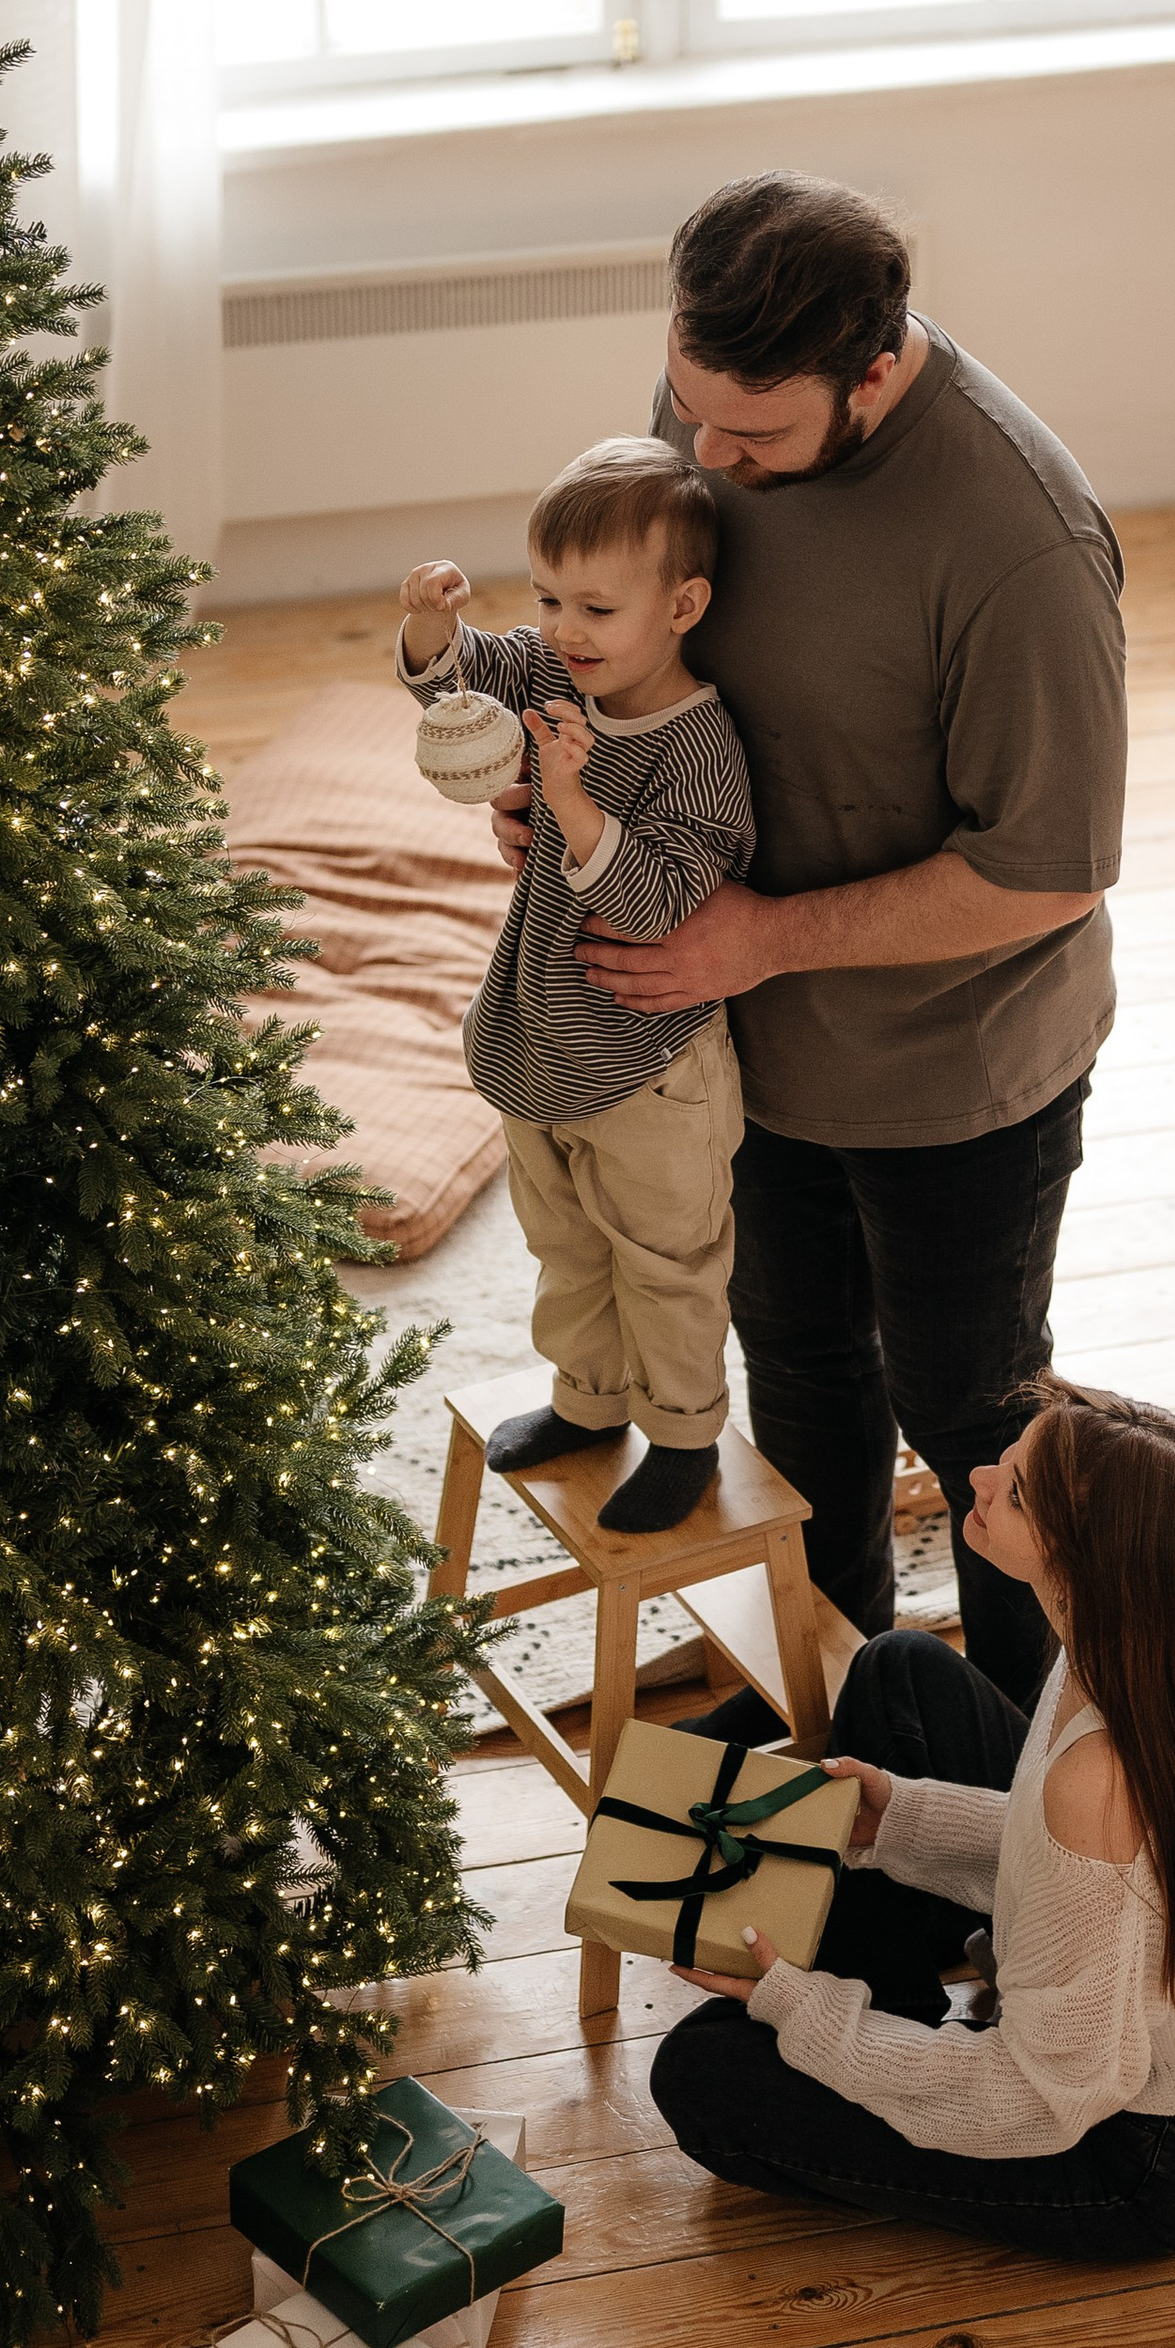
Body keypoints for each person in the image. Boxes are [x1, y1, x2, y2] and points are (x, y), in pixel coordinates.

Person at [498, 173, 1125, 1703]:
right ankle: (836, 1710)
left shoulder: (1018, 548)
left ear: (877, 365)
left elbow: (1048, 870)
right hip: (727, 1048)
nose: (707, 455)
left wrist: (763, 937)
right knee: (798, 1386)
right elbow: (650, 640)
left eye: (754, 437)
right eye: (689, 408)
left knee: (974, 1431)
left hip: (951, 1074)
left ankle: (1026, 1774)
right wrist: (568, 805)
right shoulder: (725, 394)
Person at [648, 1382, 1175, 2257]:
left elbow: (1048, 2095)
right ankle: (883, 1986)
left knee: (702, 2076)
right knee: (900, 1671)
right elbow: (1099, 1883)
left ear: (1078, 1551)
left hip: (1149, 2157)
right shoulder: (1161, 1631)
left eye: (1015, 1486)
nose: (978, 1476)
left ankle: (877, 1999)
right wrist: (900, 1823)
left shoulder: (1099, 1782)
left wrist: (811, 2017)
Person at [397, 437, 754, 1538]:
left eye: (595, 607)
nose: (561, 629)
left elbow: (659, 906)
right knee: (564, 1241)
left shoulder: (699, 748)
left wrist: (577, 802)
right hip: (544, 1036)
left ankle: (685, 1434)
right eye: (548, 596)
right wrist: (428, 626)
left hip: (650, 1064)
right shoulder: (558, 666)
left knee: (665, 1258)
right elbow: (477, 669)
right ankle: (589, 1401)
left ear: (683, 603)